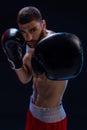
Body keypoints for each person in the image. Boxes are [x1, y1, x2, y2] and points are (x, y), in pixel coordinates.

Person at [1, 6, 83, 130]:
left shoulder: (56, 46)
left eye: (33, 30)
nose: (28, 37)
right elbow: (25, 78)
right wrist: (14, 60)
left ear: (43, 24)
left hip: (51, 119)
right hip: (33, 111)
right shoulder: (31, 43)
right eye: (23, 31)